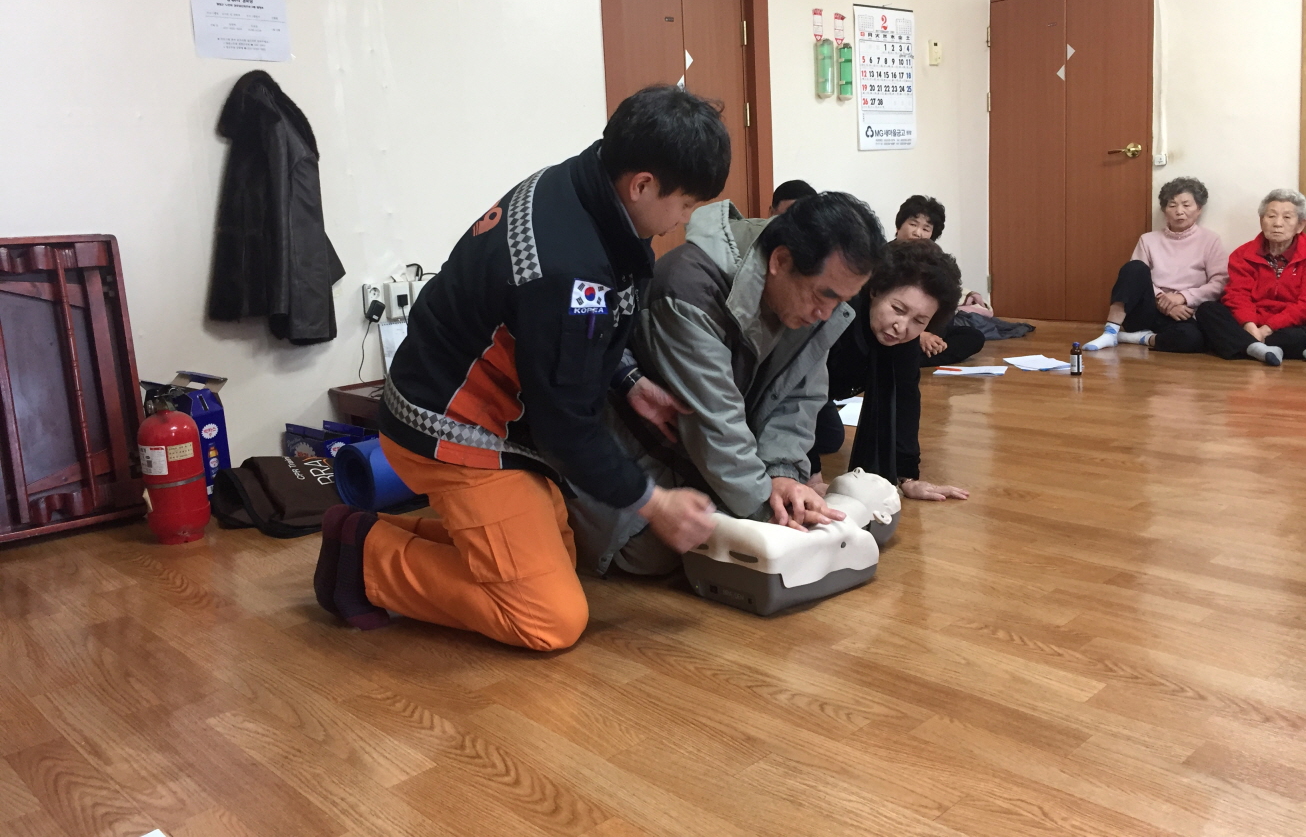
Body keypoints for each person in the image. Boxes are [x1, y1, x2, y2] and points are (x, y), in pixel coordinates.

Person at [311, 86, 731, 650]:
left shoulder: (584, 183)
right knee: (549, 618)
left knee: (556, 557)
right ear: (642, 185)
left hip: (493, 415)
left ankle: (361, 533)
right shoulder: (568, 269)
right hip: (451, 429)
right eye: (686, 205)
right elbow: (567, 426)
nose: (682, 221)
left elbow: (574, 334)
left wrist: (628, 381)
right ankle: (366, 558)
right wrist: (655, 503)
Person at [566, 192, 884, 576]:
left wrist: (782, 474)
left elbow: (798, 399)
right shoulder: (688, 287)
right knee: (657, 553)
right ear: (780, 261)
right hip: (639, 460)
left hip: (711, 464)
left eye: (841, 301)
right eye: (823, 296)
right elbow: (715, 423)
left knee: (818, 515)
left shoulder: (812, 302)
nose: (826, 314)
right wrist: (771, 511)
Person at [825, 240, 969, 502]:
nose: (901, 327)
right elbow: (793, 392)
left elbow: (905, 399)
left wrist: (907, 477)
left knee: (830, 438)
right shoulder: (837, 314)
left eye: (919, 321)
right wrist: (807, 476)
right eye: (898, 309)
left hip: (825, 396)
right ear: (875, 290)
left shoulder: (905, 342)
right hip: (789, 393)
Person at [1084, 177, 1227, 353]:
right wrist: (1162, 301)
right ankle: (1110, 332)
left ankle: (1138, 338)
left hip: (1184, 312)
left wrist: (1182, 297)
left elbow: (1219, 283)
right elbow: (1136, 281)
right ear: (1164, 210)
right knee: (1134, 268)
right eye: (1172, 205)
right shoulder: (1148, 240)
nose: (1179, 211)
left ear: (1199, 209)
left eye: (1186, 205)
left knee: (1192, 339)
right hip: (1149, 309)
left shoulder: (1210, 240)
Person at [1195, 188, 1306, 366]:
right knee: (1207, 310)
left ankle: (1248, 347)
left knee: (1299, 334)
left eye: (1287, 217)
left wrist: (1268, 328)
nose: (1278, 223)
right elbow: (1237, 295)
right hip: (1250, 322)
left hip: (1288, 325)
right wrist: (1249, 325)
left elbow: (1303, 305)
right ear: (1261, 221)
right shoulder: (1243, 254)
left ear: (1300, 225)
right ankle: (1266, 348)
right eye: (1271, 216)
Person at [893, 195, 985, 367]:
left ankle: (916, 357)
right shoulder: (883, 258)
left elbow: (946, 298)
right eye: (913, 224)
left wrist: (932, 335)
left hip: (927, 326)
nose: (917, 233)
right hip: (896, 328)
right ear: (899, 225)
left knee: (973, 337)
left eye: (926, 229)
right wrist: (919, 335)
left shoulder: (934, 259)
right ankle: (910, 358)